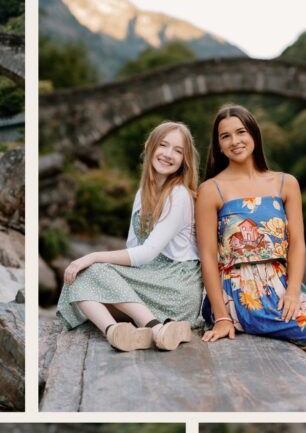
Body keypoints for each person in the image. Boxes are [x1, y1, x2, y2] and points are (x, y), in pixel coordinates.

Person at [196, 104, 306, 380]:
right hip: (239, 291)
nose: (235, 141)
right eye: (225, 136)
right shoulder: (210, 189)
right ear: (218, 144)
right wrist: (221, 316)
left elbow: (297, 243)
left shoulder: (285, 183)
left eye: (241, 132)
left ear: (254, 134)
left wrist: (292, 292)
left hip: (281, 283)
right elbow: (207, 255)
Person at [57, 121, 202, 352]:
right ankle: (116, 332)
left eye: (178, 150)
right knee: (80, 282)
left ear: (185, 160)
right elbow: (132, 246)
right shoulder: (143, 193)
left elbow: (147, 253)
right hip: (151, 281)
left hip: (175, 285)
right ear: (149, 147)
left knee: (92, 271)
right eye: (163, 145)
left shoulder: (179, 195)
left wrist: (93, 256)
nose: (168, 154)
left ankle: (155, 329)